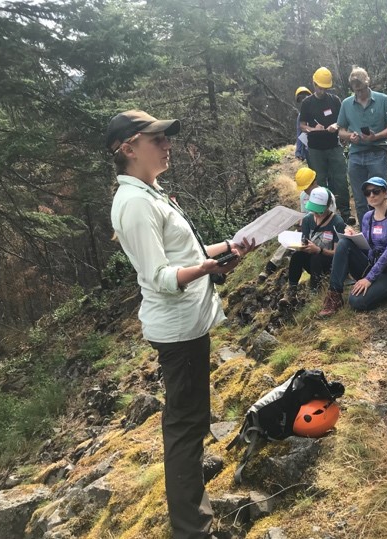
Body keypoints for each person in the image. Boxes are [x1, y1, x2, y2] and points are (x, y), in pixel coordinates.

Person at [106, 110, 255, 539]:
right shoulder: (134, 203)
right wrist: (208, 267)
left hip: (187, 326)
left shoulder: (150, 193)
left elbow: (181, 260)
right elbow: (159, 278)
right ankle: (193, 529)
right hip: (177, 330)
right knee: (185, 428)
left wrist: (226, 248)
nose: (167, 145)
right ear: (129, 149)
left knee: (189, 420)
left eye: (166, 138)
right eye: (158, 140)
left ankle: (193, 520)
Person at [319, 177, 387, 316]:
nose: (371, 195)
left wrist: (369, 279)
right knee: (344, 243)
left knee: (356, 301)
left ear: (385, 193)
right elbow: (367, 246)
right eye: (367, 193)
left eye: (376, 191)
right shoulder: (367, 217)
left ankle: (383, 291)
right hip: (369, 265)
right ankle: (334, 294)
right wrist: (354, 237)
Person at [337, 66, 387, 225]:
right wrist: (350, 136)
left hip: (377, 152)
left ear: (368, 83)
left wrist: (376, 136)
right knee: (361, 199)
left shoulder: (382, 100)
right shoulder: (346, 104)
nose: (359, 93)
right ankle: (366, 234)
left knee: (380, 196)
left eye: (362, 89)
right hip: (355, 155)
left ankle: (385, 229)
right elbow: (340, 130)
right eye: (356, 90)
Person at [299, 67, 352, 223]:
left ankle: (346, 213)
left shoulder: (334, 100)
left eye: (324, 88)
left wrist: (336, 125)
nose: (321, 90)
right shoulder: (307, 103)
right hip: (316, 149)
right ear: (314, 83)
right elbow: (302, 125)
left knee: (340, 179)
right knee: (320, 181)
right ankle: (325, 215)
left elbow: (343, 119)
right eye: (319, 87)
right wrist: (313, 129)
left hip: (334, 145)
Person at [284, 186, 345, 299]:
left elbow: (338, 253)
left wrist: (319, 250)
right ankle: (291, 289)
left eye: (319, 210)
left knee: (316, 257)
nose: (316, 213)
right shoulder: (307, 220)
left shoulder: (337, 222)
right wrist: (300, 246)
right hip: (312, 261)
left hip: (329, 263)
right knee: (297, 255)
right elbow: (305, 241)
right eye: (313, 209)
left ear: (327, 206)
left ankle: (314, 290)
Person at [259, 167, 318, 281]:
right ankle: (270, 267)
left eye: (307, 187)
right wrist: (300, 223)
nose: (305, 190)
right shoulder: (303, 196)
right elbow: (304, 214)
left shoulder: (324, 195)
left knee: (300, 247)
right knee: (287, 240)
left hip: (318, 231)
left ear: (314, 182)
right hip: (305, 228)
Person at [294, 86, 312, 164]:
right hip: (309, 148)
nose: (304, 100)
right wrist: (298, 152)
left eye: (305, 97)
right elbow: (300, 134)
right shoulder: (301, 116)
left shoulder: (319, 109)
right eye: (301, 98)